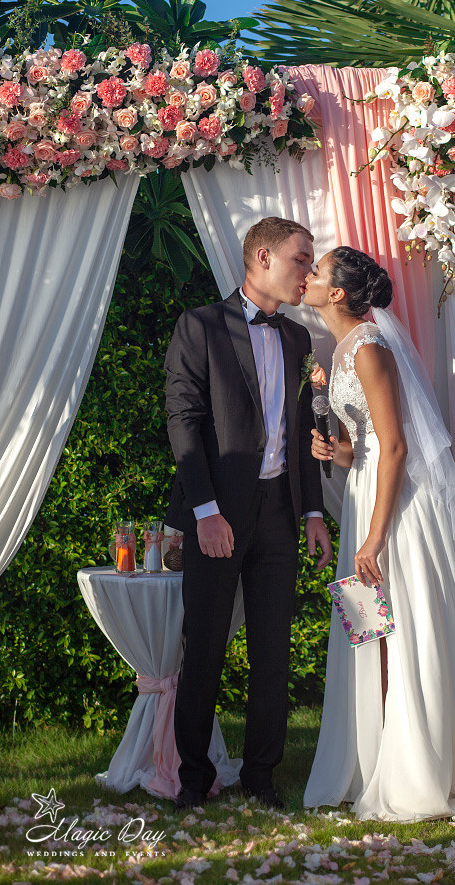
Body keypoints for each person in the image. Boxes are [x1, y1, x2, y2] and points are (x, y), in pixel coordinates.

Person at [302, 246, 455, 821]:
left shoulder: (369, 349)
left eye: (317, 272)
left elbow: (396, 447)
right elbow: (366, 446)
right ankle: (372, 757)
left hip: (397, 517)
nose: (309, 278)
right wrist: (335, 450)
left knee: (402, 630)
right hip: (369, 499)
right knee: (370, 632)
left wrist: (373, 540)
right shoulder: (341, 351)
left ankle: (416, 769)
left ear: (337, 293)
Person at [164, 217, 333, 812]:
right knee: (204, 649)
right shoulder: (200, 326)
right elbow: (183, 421)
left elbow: (302, 432)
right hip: (218, 515)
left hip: (279, 518)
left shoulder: (295, 339)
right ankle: (192, 779)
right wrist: (206, 512)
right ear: (262, 257)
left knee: (273, 652)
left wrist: (313, 511)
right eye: (301, 260)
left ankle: (261, 776)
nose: (308, 273)